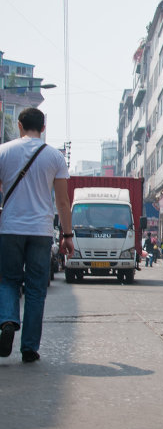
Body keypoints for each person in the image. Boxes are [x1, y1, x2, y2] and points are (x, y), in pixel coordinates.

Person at [0, 107, 74, 363]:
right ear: (43, 128)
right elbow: (63, 202)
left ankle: (7, 320)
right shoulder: (54, 157)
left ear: (19, 125)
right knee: (35, 289)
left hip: (9, 229)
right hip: (41, 232)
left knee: (8, 281)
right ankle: (29, 347)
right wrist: (67, 235)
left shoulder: (3, 151)